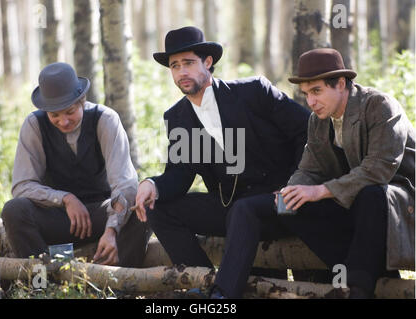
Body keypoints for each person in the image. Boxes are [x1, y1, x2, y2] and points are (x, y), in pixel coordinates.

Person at [134, 26, 310, 298]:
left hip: (283, 201)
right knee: (159, 208)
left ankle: (223, 296)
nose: (182, 72)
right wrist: (151, 185)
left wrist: (294, 184)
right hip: (230, 206)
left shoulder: (254, 92)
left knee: (245, 209)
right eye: (175, 66)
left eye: (189, 63)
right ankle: (206, 283)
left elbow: (306, 131)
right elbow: (180, 174)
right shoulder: (178, 117)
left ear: (208, 62)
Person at [279, 48, 415, 298]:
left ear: (341, 84)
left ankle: (357, 290)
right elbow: (309, 168)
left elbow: (379, 170)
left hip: (402, 202)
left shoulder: (379, 105)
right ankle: (368, 276)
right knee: (292, 206)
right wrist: (291, 191)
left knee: (370, 194)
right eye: (306, 94)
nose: (310, 102)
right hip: (358, 202)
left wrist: (321, 190)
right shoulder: (318, 120)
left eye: (317, 91)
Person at [1, 62, 151, 267]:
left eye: (70, 112)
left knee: (143, 206)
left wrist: (111, 229)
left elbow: (125, 184)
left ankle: (122, 280)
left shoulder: (105, 119)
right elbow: (22, 185)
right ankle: (42, 284)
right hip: (58, 219)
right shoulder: (33, 125)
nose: (63, 121)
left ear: (82, 101)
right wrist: (65, 199)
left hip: (103, 213)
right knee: (14, 210)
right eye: (54, 115)